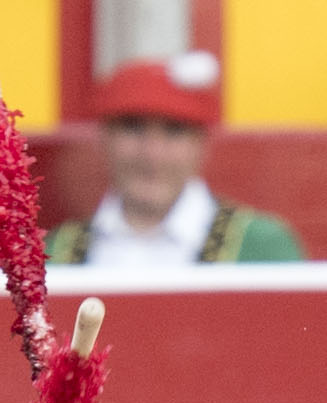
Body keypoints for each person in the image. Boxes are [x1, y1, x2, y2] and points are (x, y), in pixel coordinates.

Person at [46, 51, 304, 266]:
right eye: (133, 128)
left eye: (173, 131)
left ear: (201, 144)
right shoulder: (55, 253)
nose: (152, 154)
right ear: (104, 140)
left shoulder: (261, 246)